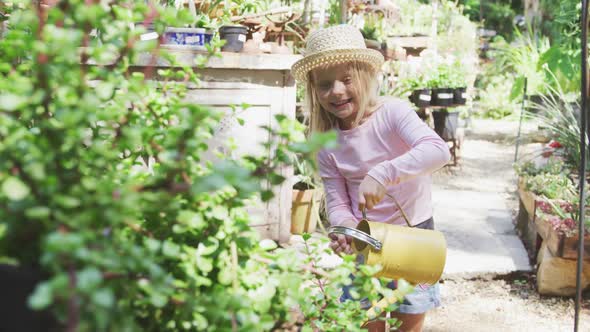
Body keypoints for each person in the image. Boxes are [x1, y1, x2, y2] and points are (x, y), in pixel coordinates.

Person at [291, 25, 451, 332]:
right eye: (325, 85)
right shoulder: (327, 141)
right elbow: (337, 202)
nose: (336, 91)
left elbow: (437, 150)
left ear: (366, 75)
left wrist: (382, 172)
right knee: (367, 321)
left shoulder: (392, 114)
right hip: (367, 242)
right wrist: (346, 229)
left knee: (410, 318)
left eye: (346, 79)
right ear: (313, 89)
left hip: (413, 234)